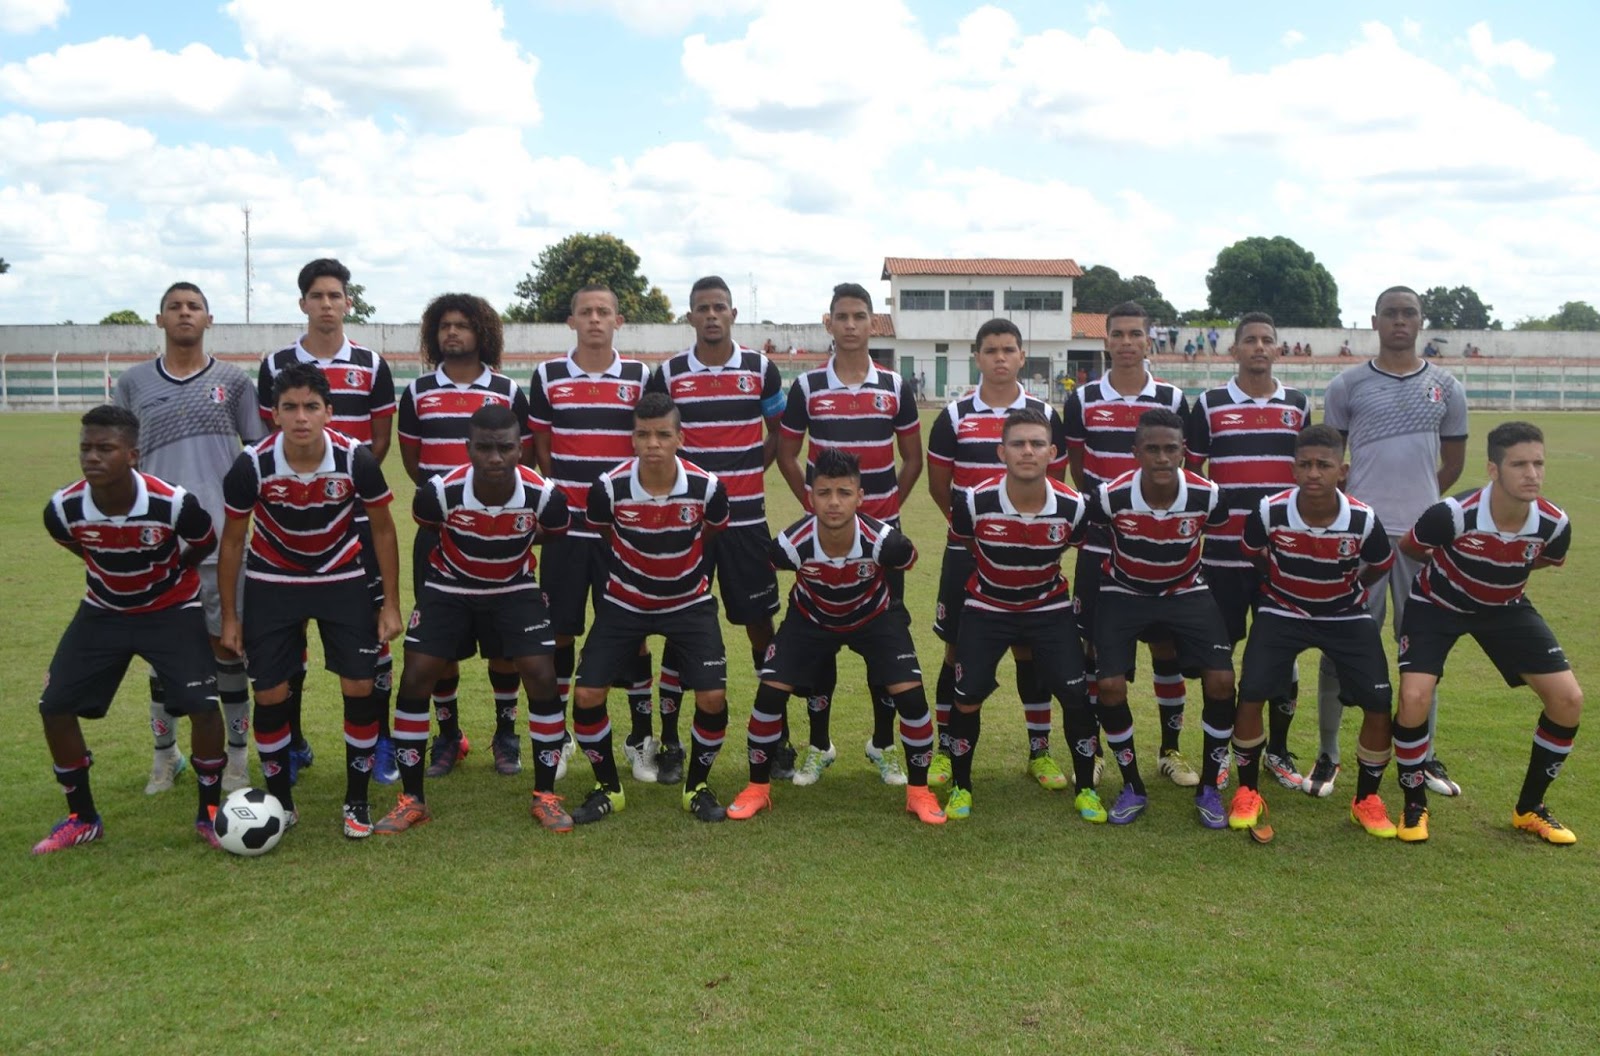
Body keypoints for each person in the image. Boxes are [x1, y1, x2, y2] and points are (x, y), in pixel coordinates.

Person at [219, 363, 403, 838]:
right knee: (270, 693)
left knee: (359, 686)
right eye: (290, 407)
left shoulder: (356, 459)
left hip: (341, 577)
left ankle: (357, 801)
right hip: (273, 581)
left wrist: (390, 604)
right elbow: (233, 541)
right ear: (274, 414)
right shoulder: (251, 465)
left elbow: (383, 530)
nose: (301, 417)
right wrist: (232, 617)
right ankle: (281, 804)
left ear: (328, 412)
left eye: (311, 407)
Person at [33, 406, 227, 854]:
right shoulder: (62, 509)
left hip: (171, 610)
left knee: (203, 707)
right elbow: (74, 544)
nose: (92, 457)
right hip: (103, 611)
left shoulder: (172, 502)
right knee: (54, 706)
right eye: (86, 448)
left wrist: (168, 576)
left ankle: (210, 813)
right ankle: (83, 818)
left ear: (133, 454)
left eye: (105, 448)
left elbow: (203, 542)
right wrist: (115, 576)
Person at [377, 404, 571, 834]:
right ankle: (412, 799)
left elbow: (553, 532)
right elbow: (431, 526)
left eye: (505, 448)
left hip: (514, 588)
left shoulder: (545, 496)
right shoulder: (438, 493)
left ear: (520, 449)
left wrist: (505, 538)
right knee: (417, 674)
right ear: (468, 448)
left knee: (542, 673)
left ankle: (545, 795)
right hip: (450, 588)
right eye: (484, 448)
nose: (495, 458)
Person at [724, 449, 946, 825]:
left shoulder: (885, 541)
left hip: (874, 617)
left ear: (860, 497)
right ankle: (756, 788)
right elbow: (772, 566)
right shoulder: (789, 545)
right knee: (769, 693)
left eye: (844, 492)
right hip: (811, 619)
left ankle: (919, 792)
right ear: (810, 496)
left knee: (910, 696)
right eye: (824, 492)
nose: (834, 502)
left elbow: (907, 560)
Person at [1392, 422, 1580, 844]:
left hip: (1505, 608)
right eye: (1519, 464)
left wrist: (1497, 572)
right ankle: (1414, 805)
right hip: (1436, 606)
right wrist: (1457, 575)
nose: (1531, 474)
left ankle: (1530, 809)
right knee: (1414, 697)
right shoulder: (1452, 514)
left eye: (1538, 463)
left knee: (1568, 700)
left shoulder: (1553, 523)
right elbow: (1410, 546)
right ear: (1493, 469)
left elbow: (1545, 559)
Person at [1315, 286, 1467, 798]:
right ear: (1375, 320)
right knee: (1341, 643)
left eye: (1410, 313)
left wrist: (1420, 508)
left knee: (1421, 651)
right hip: (1360, 538)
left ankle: (1422, 757)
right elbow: (1330, 461)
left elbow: (1453, 464)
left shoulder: (1447, 387)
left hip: (1421, 543)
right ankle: (1328, 754)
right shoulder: (1346, 385)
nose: (1400, 321)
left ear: (1421, 322)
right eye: (1391, 313)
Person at [114, 281, 265, 796]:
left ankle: (238, 758)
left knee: (229, 648)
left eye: (193, 306)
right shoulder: (133, 384)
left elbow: (256, 456)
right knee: (164, 656)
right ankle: (166, 757)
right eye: (174, 307)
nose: (184, 313)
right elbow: (120, 460)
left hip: (224, 543)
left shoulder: (234, 382)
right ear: (159, 319)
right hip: (157, 547)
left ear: (208, 318)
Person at [775, 282, 922, 785]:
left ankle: (883, 744)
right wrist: (813, 507)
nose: (852, 325)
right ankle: (819, 746)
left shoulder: (895, 386)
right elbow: (787, 454)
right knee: (819, 641)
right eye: (843, 316)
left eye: (860, 316)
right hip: (825, 536)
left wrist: (885, 511)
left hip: (881, 540)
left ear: (872, 322)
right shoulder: (808, 386)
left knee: (886, 642)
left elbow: (913, 458)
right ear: (830, 322)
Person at [257, 259, 397, 787]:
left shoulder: (371, 363)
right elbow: (267, 436)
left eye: (335, 296)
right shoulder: (276, 364)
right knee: (286, 639)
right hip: (292, 522)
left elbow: (379, 439)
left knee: (372, 637)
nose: (326, 304)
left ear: (347, 303)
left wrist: (346, 483)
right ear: (303, 304)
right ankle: (292, 742)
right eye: (317, 296)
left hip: (355, 518)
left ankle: (380, 742)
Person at [564, 392, 732, 824]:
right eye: (643, 434)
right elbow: (604, 530)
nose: (653, 443)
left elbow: (711, 530)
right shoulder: (608, 487)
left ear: (680, 438)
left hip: (689, 602)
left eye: (662, 434)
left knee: (712, 696)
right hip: (625, 602)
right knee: (586, 694)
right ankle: (608, 788)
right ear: (632, 439)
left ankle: (697, 787)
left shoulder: (708, 488)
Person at [1228, 425, 1399, 839]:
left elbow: (1380, 564)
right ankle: (1247, 791)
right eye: (1304, 464)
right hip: (1283, 610)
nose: (1314, 473)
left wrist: (1344, 589)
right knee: (1250, 693)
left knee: (1378, 701)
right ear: (1293, 469)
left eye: (1324, 465)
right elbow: (1251, 552)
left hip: (1345, 614)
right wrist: (1282, 584)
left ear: (1342, 470)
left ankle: (1366, 800)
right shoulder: (1269, 511)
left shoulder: (1362, 518)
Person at [645, 276, 785, 785]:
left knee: (760, 625)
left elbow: (780, 433)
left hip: (746, 522)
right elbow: (658, 437)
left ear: (732, 315)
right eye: (702, 308)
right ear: (690, 317)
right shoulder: (668, 374)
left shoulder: (760, 369)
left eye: (719, 307)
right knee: (680, 625)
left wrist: (747, 473)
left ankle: (777, 737)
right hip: (688, 525)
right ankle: (670, 741)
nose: (711, 315)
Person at [926, 318, 1071, 791]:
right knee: (955, 651)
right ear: (977, 357)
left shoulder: (1044, 414)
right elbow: (939, 486)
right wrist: (974, 534)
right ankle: (946, 750)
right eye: (991, 350)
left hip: (1028, 554)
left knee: (1030, 651)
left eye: (1009, 349)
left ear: (1022, 356)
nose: (1000, 358)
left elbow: (1055, 483)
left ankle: (1039, 752)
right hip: (966, 551)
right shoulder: (955, 416)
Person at [397, 293, 535, 779]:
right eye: (444, 326)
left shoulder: (507, 390)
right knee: (440, 647)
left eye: (463, 325)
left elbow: (522, 456)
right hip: (439, 535)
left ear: (483, 333)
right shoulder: (418, 393)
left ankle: (505, 733)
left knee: (504, 647)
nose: (452, 333)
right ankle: (449, 735)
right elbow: (412, 460)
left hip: (500, 534)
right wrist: (449, 503)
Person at [1061, 301, 1193, 787]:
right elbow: (1078, 466)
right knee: (1094, 649)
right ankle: (1094, 749)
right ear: (1106, 341)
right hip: (1101, 544)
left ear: (1148, 340)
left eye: (1135, 334)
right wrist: (1108, 509)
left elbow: (1182, 465)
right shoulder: (1082, 399)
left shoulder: (1173, 398)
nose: (1126, 342)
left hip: (1160, 545)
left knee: (1165, 645)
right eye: (1117, 334)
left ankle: (1170, 750)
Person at [945, 410, 1100, 821]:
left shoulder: (1074, 506)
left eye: (1036, 444)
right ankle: (961, 786)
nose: (1027, 451)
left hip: (1048, 607)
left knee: (1076, 697)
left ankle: (1086, 789)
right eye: (1018, 444)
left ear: (1052, 452)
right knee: (967, 697)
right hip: (987, 606)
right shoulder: (973, 502)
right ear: (1002, 452)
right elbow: (965, 549)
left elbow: (1081, 551)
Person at [1084, 408, 1234, 827]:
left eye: (1171, 448)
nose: (1162, 458)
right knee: (1109, 686)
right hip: (1124, 591)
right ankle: (1132, 785)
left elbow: (1214, 534)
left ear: (1184, 450)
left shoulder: (1208, 496)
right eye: (1152, 449)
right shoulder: (1109, 496)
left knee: (1222, 681)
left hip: (1185, 590)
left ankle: (1209, 787)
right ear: (1135, 452)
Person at [527, 285, 652, 781]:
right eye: (586, 312)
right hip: (566, 533)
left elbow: (649, 443)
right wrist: (560, 500)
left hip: (621, 534)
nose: (595, 319)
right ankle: (558, 739)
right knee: (559, 632)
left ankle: (640, 739)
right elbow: (541, 447)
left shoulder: (640, 376)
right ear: (571, 321)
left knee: (633, 634)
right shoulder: (548, 375)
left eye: (604, 312)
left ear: (618, 320)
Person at [1184, 312, 1310, 790]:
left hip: (1280, 560)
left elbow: (1306, 473)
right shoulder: (1210, 404)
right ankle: (1217, 756)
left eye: (1267, 340)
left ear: (1278, 349)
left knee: (1283, 658)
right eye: (1250, 340)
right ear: (1233, 350)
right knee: (1219, 662)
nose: (1259, 347)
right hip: (1222, 558)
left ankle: (1277, 750)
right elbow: (1192, 473)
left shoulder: (1297, 405)